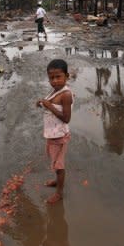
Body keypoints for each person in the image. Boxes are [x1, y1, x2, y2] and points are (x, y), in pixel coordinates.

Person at [37, 59, 73, 204]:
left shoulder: (66, 95)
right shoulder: (55, 90)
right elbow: (49, 102)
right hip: (52, 134)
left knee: (59, 166)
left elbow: (66, 118)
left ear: (67, 76)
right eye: (51, 78)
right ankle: (57, 181)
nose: (55, 81)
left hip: (59, 136)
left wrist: (49, 106)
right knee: (55, 163)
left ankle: (59, 193)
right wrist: (41, 103)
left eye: (58, 77)